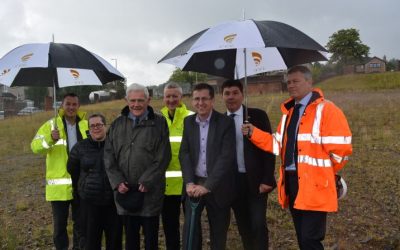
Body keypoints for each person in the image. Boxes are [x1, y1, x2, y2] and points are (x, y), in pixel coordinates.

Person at [242, 65, 352, 249]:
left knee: (311, 238)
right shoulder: (289, 113)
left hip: (315, 184)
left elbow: (341, 151)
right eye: (288, 82)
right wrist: (253, 133)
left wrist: (323, 174)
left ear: (309, 82)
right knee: (301, 235)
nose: (291, 85)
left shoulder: (327, 110)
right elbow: (277, 144)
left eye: (296, 81)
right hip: (292, 182)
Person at [104, 83, 171, 250]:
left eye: (140, 100)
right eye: (132, 100)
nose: (136, 104)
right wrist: (117, 181)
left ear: (148, 100)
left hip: (150, 194)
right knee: (131, 241)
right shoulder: (117, 124)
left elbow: (163, 156)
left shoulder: (159, 123)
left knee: (151, 241)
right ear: (126, 100)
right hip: (125, 193)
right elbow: (109, 156)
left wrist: (147, 180)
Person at [179, 83, 236, 250]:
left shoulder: (225, 122)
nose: (200, 103)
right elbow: (185, 153)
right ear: (192, 101)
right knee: (190, 230)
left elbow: (226, 157)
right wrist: (189, 182)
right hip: (193, 184)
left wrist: (208, 186)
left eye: (204, 98)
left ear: (212, 100)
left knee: (218, 232)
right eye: (196, 99)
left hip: (218, 186)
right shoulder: (188, 122)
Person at [221, 79, 276, 250]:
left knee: (258, 224)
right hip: (233, 183)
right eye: (227, 93)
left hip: (256, 181)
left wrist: (267, 178)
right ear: (222, 96)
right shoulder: (220, 121)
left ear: (242, 95)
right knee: (244, 226)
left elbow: (270, 147)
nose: (231, 97)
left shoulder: (257, 116)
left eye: (235, 93)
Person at [31, 93, 88, 250]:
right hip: (59, 188)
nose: (71, 107)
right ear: (62, 106)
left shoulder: (85, 125)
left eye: (74, 104)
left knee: (82, 224)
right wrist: (50, 138)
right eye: (67, 104)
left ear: (78, 106)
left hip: (82, 183)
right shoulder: (51, 125)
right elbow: (35, 147)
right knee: (60, 228)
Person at [67, 113, 122, 250]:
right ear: (88, 128)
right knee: (91, 242)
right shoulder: (80, 148)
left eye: (99, 125)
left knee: (114, 241)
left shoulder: (116, 145)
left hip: (113, 203)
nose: (96, 128)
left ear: (105, 126)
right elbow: (72, 170)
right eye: (92, 125)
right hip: (89, 203)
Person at [160, 83, 193, 250]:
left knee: (192, 227)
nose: (171, 100)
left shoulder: (192, 117)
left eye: (175, 96)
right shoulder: (158, 120)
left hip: (189, 183)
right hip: (165, 186)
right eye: (168, 96)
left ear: (181, 97)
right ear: (163, 98)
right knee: (170, 228)